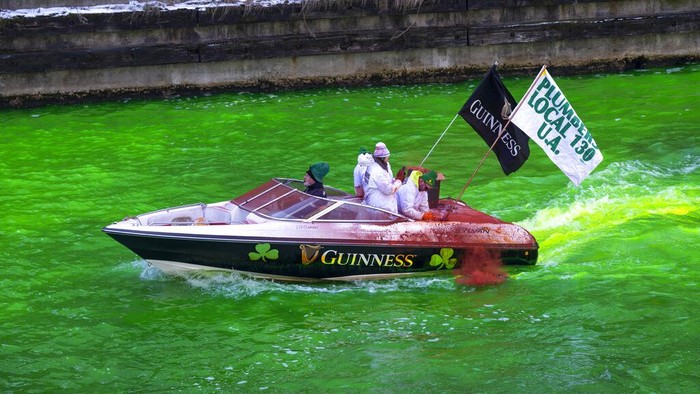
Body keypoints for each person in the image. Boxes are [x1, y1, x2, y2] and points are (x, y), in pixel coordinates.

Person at [362, 142, 402, 213]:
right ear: (382, 158)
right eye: (387, 157)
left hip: (376, 202)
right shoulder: (378, 171)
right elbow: (388, 190)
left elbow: (386, 180)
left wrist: (394, 179)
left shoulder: (378, 165)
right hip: (379, 207)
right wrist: (399, 180)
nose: (388, 159)